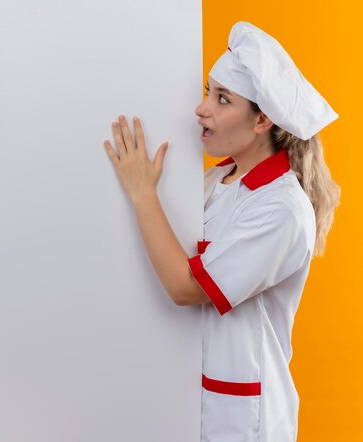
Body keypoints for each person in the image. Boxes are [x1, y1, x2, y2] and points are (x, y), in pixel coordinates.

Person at [103, 21, 340, 441]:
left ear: (262, 119)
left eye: (222, 98)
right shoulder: (217, 182)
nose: (202, 108)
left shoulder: (281, 209)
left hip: (246, 420)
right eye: (207, 92)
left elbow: (185, 288)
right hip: (192, 403)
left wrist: (143, 193)